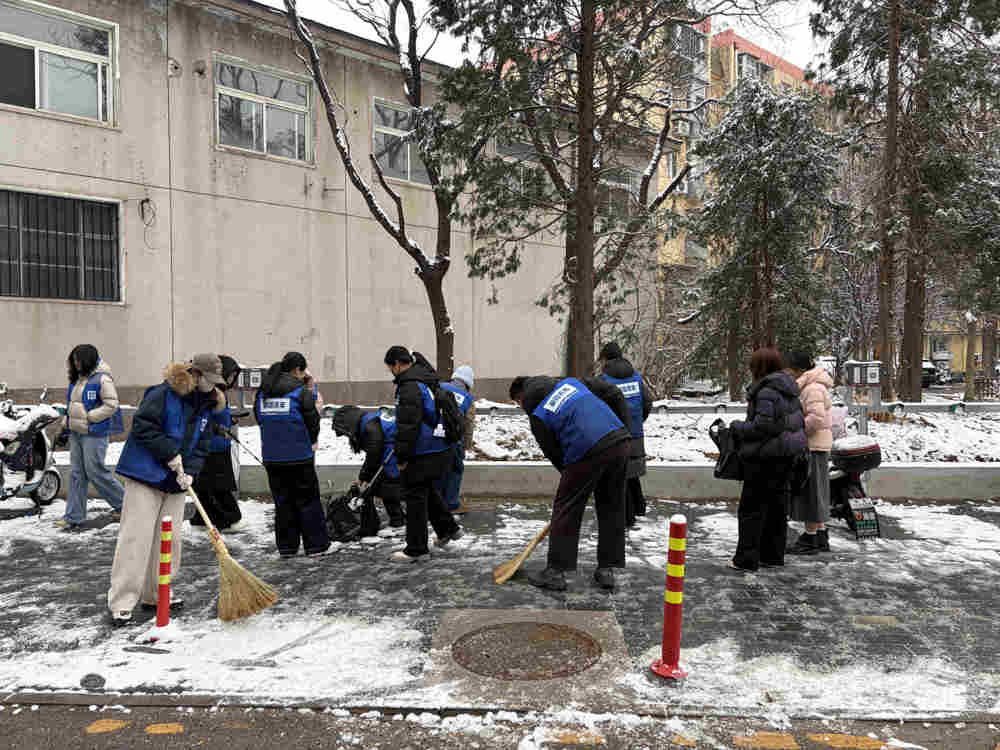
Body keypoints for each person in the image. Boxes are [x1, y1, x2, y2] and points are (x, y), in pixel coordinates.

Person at [108, 353, 225, 625]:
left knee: (168, 540)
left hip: (176, 481)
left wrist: (191, 472)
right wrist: (170, 454)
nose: (212, 386)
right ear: (195, 374)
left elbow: (202, 443)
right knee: (136, 538)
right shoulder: (162, 394)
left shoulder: (207, 404)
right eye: (209, 380)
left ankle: (157, 593)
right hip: (145, 474)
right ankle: (122, 600)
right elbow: (143, 426)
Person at [509, 374, 631, 591]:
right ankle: (607, 570)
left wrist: (573, 483)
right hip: (619, 439)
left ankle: (555, 572)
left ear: (521, 397)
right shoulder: (572, 383)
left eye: (518, 404)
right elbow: (611, 393)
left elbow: (555, 454)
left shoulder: (539, 415)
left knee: (566, 507)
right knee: (612, 505)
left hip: (586, 447)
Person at [728, 347, 808, 572]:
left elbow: (764, 426)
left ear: (759, 367)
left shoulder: (766, 391)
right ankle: (772, 555)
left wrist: (738, 428)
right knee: (776, 508)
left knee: (751, 509)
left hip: (764, 458)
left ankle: (746, 559)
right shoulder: (789, 388)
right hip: (785, 457)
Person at [384, 346, 462, 563]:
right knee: (425, 488)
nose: (392, 372)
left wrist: (402, 457)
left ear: (398, 364)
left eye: (391, 367)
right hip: (440, 446)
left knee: (415, 496)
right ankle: (448, 528)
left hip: (424, 449)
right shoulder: (425, 379)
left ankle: (417, 549)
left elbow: (408, 426)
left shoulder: (408, 386)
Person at [254, 352, 331, 558]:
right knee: (307, 500)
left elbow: (260, 420)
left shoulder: (263, 393)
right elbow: (312, 421)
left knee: (283, 501)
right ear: (297, 370)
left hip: (272, 458)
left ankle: (287, 547)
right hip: (299, 455)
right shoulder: (300, 392)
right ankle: (316, 546)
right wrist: (312, 441)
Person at [56, 345, 125, 530]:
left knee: (95, 471)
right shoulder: (77, 379)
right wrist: (65, 428)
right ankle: (73, 516)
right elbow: (72, 405)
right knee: (77, 473)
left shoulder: (102, 378)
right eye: (74, 360)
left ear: (88, 360)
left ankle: (125, 505)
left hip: (94, 434)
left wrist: (90, 417)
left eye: (79, 360)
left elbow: (111, 404)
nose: (76, 363)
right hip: (78, 432)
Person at [598, 342, 653, 528]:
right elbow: (647, 402)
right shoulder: (636, 377)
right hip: (636, 433)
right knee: (631, 471)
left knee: (620, 474)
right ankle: (639, 506)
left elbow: (599, 407)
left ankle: (627, 517)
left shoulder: (604, 379)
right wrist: (638, 421)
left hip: (616, 434)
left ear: (605, 359)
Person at [785, 351, 834, 555]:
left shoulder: (812, 388)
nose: (786, 372)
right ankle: (820, 535)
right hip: (817, 447)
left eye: (788, 368)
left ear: (798, 369)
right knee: (818, 492)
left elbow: (816, 418)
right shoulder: (812, 385)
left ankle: (810, 538)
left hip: (812, 447)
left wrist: (796, 430)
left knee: (812, 493)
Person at [190, 355, 244, 531]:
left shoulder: (217, 391)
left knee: (206, 487)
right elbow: (203, 418)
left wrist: (229, 421)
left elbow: (215, 416)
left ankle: (202, 518)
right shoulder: (213, 393)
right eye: (231, 375)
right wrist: (219, 427)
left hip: (215, 444)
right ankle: (230, 519)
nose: (231, 380)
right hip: (213, 447)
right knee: (220, 487)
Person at [331, 405, 406, 527]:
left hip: (391, 455)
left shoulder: (369, 427)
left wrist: (364, 477)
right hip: (389, 454)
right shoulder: (368, 421)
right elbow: (373, 455)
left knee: (388, 488)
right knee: (381, 487)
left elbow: (374, 455)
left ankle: (397, 521)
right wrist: (364, 477)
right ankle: (394, 518)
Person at [436, 365, 475, 514]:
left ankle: (435, 503)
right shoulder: (468, 399)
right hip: (453, 440)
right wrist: (466, 446)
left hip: (433, 436)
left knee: (436, 470)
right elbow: (468, 425)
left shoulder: (438, 387)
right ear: (468, 383)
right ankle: (451, 504)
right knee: (455, 469)